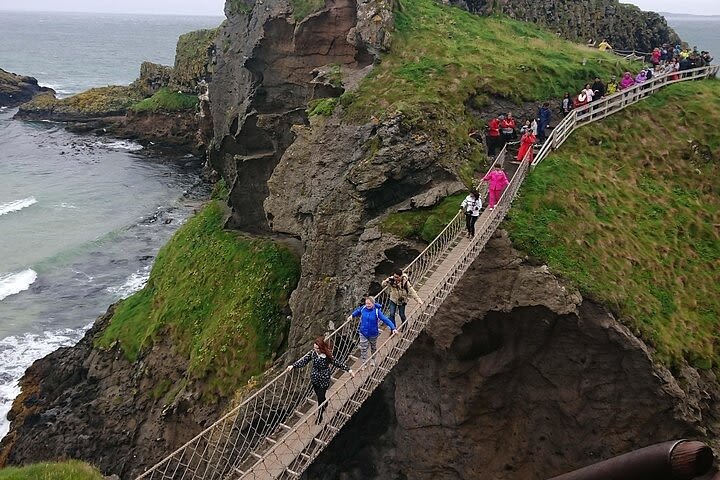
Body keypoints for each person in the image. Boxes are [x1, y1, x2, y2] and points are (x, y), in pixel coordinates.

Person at [287, 337, 354, 423]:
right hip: (315, 379)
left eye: (317, 348)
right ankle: (325, 402)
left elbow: (337, 363)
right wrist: (293, 366)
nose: (315, 350)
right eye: (314, 348)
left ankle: (320, 415)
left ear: (321, 348)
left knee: (320, 398)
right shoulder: (312, 353)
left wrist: (349, 370)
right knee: (319, 395)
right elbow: (304, 361)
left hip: (324, 379)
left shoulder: (327, 355)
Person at [348, 296, 397, 369]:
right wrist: (352, 315)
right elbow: (357, 311)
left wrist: (393, 328)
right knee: (363, 348)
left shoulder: (377, 311)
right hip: (363, 332)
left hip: (373, 333)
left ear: (373, 304)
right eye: (366, 303)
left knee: (373, 347)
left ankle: (373, 359)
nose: (367, 305)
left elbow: (385, 319)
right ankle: (364, 363)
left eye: (369, 304)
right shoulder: (363, 308)